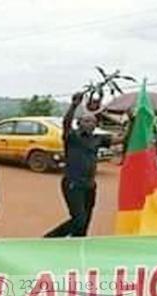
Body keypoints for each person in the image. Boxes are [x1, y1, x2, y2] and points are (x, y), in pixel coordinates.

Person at [45, 92, 100, 238]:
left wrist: (134, 121)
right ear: (79, 123)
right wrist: (74, 105)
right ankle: (50, 238)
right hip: (73, 184)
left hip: (90, 185)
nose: (91, 124)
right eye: (87, 121)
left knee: (85, 223)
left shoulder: (97, 139)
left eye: (93, 121)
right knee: (79, 220)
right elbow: (66, 123)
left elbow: (122, 141)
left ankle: (77, 245)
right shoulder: (72, 137)